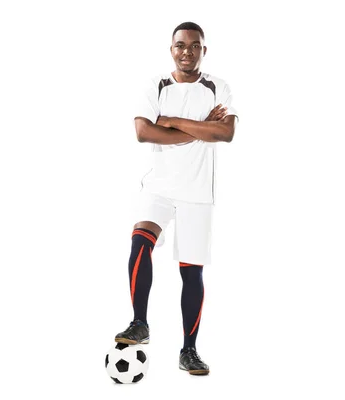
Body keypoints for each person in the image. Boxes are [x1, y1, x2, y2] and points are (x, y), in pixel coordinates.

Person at [114, 21, 239, 376]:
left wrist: (170, 121)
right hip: (159, 187)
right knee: (140, 241)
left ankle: (189, 351)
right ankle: (140, 323)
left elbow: (225, 133)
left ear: (204, 49)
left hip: (198, 193)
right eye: (180, 45)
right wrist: (200, 130)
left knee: (192, 273)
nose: (187, 51)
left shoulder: (218, 87)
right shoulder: (156, 85)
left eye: (194, 45)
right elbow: (143, 132)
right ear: (172, 49)